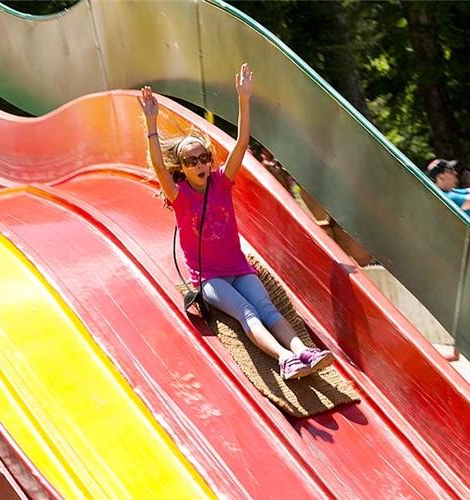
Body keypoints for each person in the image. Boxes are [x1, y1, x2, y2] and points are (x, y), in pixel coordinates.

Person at [138, 64, 333, 380]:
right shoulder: (180, 195)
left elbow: (241, 142)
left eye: (204, 158)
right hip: (210, 278)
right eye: (191, 161)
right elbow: (159, 168)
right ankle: (285, 359)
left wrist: (244, 98)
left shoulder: (220, 182)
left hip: (239, 268)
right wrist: (151, 122)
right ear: (183, 168)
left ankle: (302, 351)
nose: (200, 164)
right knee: (247, 312)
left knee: (269, 309)